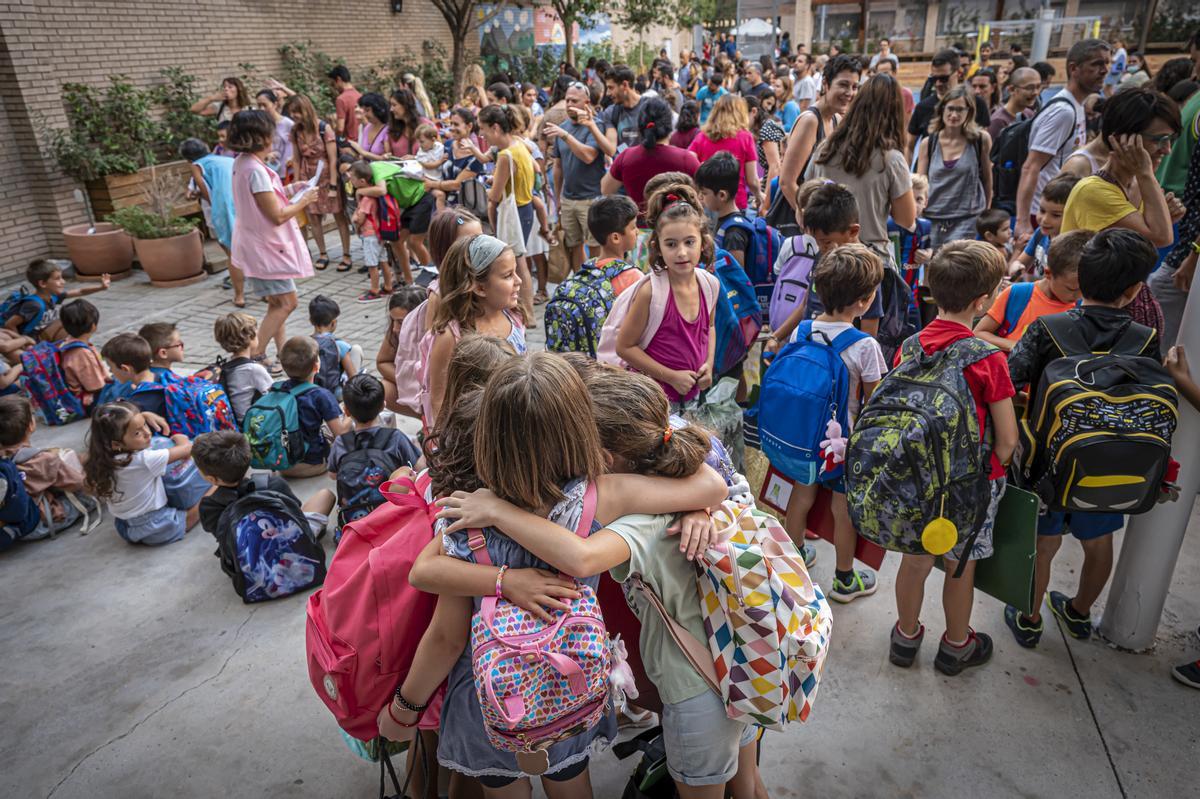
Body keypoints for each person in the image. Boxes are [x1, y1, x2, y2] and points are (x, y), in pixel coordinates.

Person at [386, 354, 730, 796]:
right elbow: (712, 485)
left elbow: (446, 637)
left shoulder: (467, 514)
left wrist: (404, 708)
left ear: (487, 435)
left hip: (490, 698)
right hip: (569, 682)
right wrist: (695, 506)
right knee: (572, 783)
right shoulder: (601, 495)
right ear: (579, 428)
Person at [1004, 229, 1161, 648]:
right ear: (1132, 291)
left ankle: (1030, 616)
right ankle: (1078, 612)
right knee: (1098, 540)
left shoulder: (1048, 328)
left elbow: (1009, 380)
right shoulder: (1144, 339)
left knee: (1045, 541)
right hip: (1111, 462)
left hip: (1047, 465)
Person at [888, 241, 1016, 674]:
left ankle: (905, 638)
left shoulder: (909, 346)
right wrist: (993, 472)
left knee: (915, 559)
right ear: (983, 301)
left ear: (929, 288)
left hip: (915, 478)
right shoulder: (987, 358)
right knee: (960, 566)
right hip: (969, 486)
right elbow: (1007, 439)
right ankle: (957, 645)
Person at [780, 244, 888, 602]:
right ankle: (844, 580)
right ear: (865, 300)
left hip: (804, 436)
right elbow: (875, 402)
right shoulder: (865, 346)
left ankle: (794, 561)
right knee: (844, 513)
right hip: (844, 445)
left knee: (801, 497)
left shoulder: (802, 332)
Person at [229, 109, 316, 364]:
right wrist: (305, 200)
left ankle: (277, 352)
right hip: (266, 247)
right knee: (287, 303)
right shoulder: (254, 169)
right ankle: (254, 356)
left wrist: (292, 188)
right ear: (261, 136)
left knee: (277, 303)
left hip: (259, 244)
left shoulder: (244, 162)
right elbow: (276, 215)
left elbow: (266, 199)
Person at [616, 199, 718, 407]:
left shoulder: (710, 285)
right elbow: (624, 347)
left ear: (703, 243)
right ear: (658, 247)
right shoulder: (651, 293)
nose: (681, 252)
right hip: (652, 401)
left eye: (689, 242)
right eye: (671, 244)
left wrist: (709, 363)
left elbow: (710, 326)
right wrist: (671, 376)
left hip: (691, 397)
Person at [807, 74, 916, 270]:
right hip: (871, 261)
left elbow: (806, 196)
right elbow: (906, 219)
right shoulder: (891, 159)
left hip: (827, 257)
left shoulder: (825, 149)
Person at [1015, 38, 1111, 247]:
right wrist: (1023, 221)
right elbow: (1031, 166)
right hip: (1043, 214)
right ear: (1074, 68)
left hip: (1056, 209)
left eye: (1106, 63)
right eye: (1096, 64)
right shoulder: (1063, 111)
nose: (1104, 70)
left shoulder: (1076, 106)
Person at [1059, 88, 1180, 253]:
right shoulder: (1093, 191)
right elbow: (1162, 237)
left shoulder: (1138, 182)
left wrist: (1165, 218)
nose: (1167, 150)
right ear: (1120, 139)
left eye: (1170, 139)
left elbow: (1140, 244)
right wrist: (1146, 174)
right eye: (1158, 140)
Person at [424, 235, 525, 423]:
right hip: (473, 432)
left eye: (515, 272)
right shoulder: (452, 336)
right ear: (480, 287)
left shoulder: (515, 317)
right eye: (508, 275)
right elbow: (439, 400)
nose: (518, 281)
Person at [769, 182, 885, 343]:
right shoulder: (823, 255)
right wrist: (776, 337)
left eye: (826, 242)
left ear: (853, 231)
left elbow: (868, 334)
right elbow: (805, 305)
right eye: (817, 242)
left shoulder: (866, 270)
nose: (821, 248)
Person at [83, 402, 208, 546]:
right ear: (117, 444)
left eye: (145, 425)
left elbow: (130, 427)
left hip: (124, 525)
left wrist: (142, 418)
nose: (147, 433)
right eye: (137, 433)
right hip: (155, 524)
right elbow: (188, 448)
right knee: (211, 493)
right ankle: (215, 491)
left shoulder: (103, 459)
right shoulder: (143, 460)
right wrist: (178, 436)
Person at [192, 429, 336, 542]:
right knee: (326, 495)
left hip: (252, 563)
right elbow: (295, 511)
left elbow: (221, 537)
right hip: (292, 545)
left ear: (212, 479)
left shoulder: (209, 507)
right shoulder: (274, 484)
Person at [778, 55, 862, 220]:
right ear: (825, 83)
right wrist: (810, 221)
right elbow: (787, 182)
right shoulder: (810, 121)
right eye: (843, 85)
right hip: (804, 224)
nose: (849, 93)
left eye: (854, 86)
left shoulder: (836, 119)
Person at [975, 229, 1087, 350]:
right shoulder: (1017, 294)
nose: (1079, 296)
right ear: (1048, 273)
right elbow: (979, 333)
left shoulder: (1082, 307)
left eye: (1084, 289)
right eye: (1072, 289)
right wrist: (1018, 347)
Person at [326, 373, 420, 511]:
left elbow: (333, 475)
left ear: (346, 411)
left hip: (354, 519)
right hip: (391, 515)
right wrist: (417, 446)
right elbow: (419, 467)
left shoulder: (341, 442)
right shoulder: (395, 437)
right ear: (383, 406)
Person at [544, 81, 610, 271]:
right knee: (573, 246)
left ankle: (596, 285)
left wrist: (565, 136)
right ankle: (580, 286)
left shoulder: (595, 126)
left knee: (595, 246)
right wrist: (557, 199)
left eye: (574, 101)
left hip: (592, 199)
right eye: (567, 100)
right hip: (568, 199)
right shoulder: (563, 127)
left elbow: (589, 156)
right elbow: (558, 167)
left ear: (586, 103)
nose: (569, 104)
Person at [480, 104, 537, 323]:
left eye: (483, 128)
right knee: (521, 262)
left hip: (513, 213)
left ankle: (526, 313)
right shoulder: (519, 145)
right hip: (526, 207)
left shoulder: (505, 155)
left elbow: (494, 197)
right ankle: (527, 312)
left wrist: (489, 189)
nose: (482, 135)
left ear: (495, 127)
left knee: (517, 265)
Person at [917, 86, 992, 248]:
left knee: (959, 266)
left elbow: (987, 179)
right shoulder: (928, 143)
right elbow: (921, 183)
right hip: (933, 216)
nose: (954, 115)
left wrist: (987, 211)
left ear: (969, 112)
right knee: (934, 267)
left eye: (960, 110)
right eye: (950, 109)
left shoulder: (980, 140)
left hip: (967, 216)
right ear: (942, 109)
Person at [283, 95, 352, 272]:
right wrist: (298, 185)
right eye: (291, 112)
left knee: (339, 215)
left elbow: (332, 157)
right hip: (308, 176)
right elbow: (297, 159)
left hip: (327, 175)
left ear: (306, 110)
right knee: (313, 215)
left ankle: (346, 254)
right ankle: (322, 253)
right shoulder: (295, 131)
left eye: (296, 111)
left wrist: (334, 186)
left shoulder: (323, 128)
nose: (294, 116)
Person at [603, 97, 699, 216]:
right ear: (669, 125)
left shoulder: (626, 157)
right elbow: (702, 196)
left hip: (638, 229)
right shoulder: (686, 159)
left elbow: (605, 189)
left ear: (640, 126)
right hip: (675, 228)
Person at [271, 336, 350, 478]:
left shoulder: (277, 389)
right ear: (316, 366)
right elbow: (340, 434)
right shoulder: (321, 395)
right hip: (312, 464)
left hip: (281, 464)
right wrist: (351, 415)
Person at [180, 138, 243, 307]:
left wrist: (214, 206)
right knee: (252, 250)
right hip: (243, 206)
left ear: (188, 159)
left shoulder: (196, 166)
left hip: (223, 210)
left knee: (233, 254)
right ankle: (266, 293)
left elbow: (205, 190)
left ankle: (239, 296)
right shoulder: (228, 159)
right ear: (207, 148)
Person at [907, 49, 991, 163]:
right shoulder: (923, 107)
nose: (938, 84)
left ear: (958, 73)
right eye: (933, 79)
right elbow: (909, 146)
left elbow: (983, 148)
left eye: (943, 79)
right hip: (928, 175)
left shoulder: (977, 104)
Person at [2, 259, 109, 341]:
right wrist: (24, 345)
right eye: (57, 279)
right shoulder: (34, 304)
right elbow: (9, 324)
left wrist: (101, 287)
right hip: (34, 340)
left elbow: (80, 291)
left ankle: (76, 348)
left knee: (72, 321)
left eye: (62, 278)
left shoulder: (52, 296)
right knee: (71, 319)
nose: (63, 282)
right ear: (43, 283)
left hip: (45, 334)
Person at [688, 95, 762, 211]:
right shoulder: (745, 137)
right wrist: (759, 196)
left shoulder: (702, 136)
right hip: (735, 201)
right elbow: (752, 180)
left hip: (708, 200)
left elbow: (689, 161)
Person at [1010, 173, 1078, 279]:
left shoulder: (1072, 247)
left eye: (1056, 215)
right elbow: (1021, 262)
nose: (1044, 219)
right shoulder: (1040, 234)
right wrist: (1016, 267)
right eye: (1042, 210)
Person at [212, 312, 273, 426]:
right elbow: (275, 397)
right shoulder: (254, 369)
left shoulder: (224, 367)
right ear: (250, 337)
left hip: (233, 423)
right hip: (250, 427)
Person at [375, 286, 427, 414]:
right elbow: (383, 362)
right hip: (415, 390)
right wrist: (408, 381)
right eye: (393, 321)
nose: (395, 329)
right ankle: (424, 421)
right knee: (383, 389)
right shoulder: (394, 331)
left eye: (401, 322)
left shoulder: (437, 336)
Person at [346, 161, 393, 300]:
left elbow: (360, 218)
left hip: (369, 235)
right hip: (378, 234)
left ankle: (374, 290)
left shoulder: (366, 198)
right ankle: (388, 286)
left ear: (361, 181)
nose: (350, 180)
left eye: (352, 178)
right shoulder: (373, 195)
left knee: (372, 264)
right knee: (383, 260)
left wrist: (354, 218)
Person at [57, 300, 109, 414]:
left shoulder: (66, 343)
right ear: (93, 326)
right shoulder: (82, 353)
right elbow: (95, 386)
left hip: (77, 394)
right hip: (86, 401)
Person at [308, 295, 360, 399]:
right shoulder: (338, 344)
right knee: (357, 349)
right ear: (333, 323)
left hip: (310, 391)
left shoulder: (306, 343)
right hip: (334, 393)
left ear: (311, 321)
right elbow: (352, 376)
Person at [746, 94, 785, 209]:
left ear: (753, 112)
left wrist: (766, 204)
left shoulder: (767, 128)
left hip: (774, 190)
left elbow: (775, 166)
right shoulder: (764, 128)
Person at [604, 64, 648, 153]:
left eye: (611, 88)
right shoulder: (611, 112)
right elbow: (611, 150)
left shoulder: (651, 107)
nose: (607, 93)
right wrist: (591, 125)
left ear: (624, 85)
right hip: (623, 165)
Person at [988, 67, 1040, 140]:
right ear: (1012, 90)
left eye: (1038, 87)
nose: (1035, 92)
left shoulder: (1029, 114)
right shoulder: (998, 121)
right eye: (1029, 88)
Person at [253, 89, 294, 176]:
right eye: (259, 105)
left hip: (287, 173)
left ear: (275, 104)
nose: (261, 109)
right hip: (268, 172)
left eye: (264, 105)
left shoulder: (288, 124)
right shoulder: (259, 125)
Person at [347, 92, 391, 160]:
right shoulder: (367, 128)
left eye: (367, 110)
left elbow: (388, 158)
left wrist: (362, 152)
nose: (364, 114)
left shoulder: (387, 130)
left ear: (377, 109)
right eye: (363, 110)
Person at [328, 65, 362, 140]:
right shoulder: (360, 95)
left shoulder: (341, 99)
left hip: (349, 144)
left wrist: (333, 125)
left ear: (339, 79)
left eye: (333, 84)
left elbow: (340, 128)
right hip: (361, 141)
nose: (334, 88)